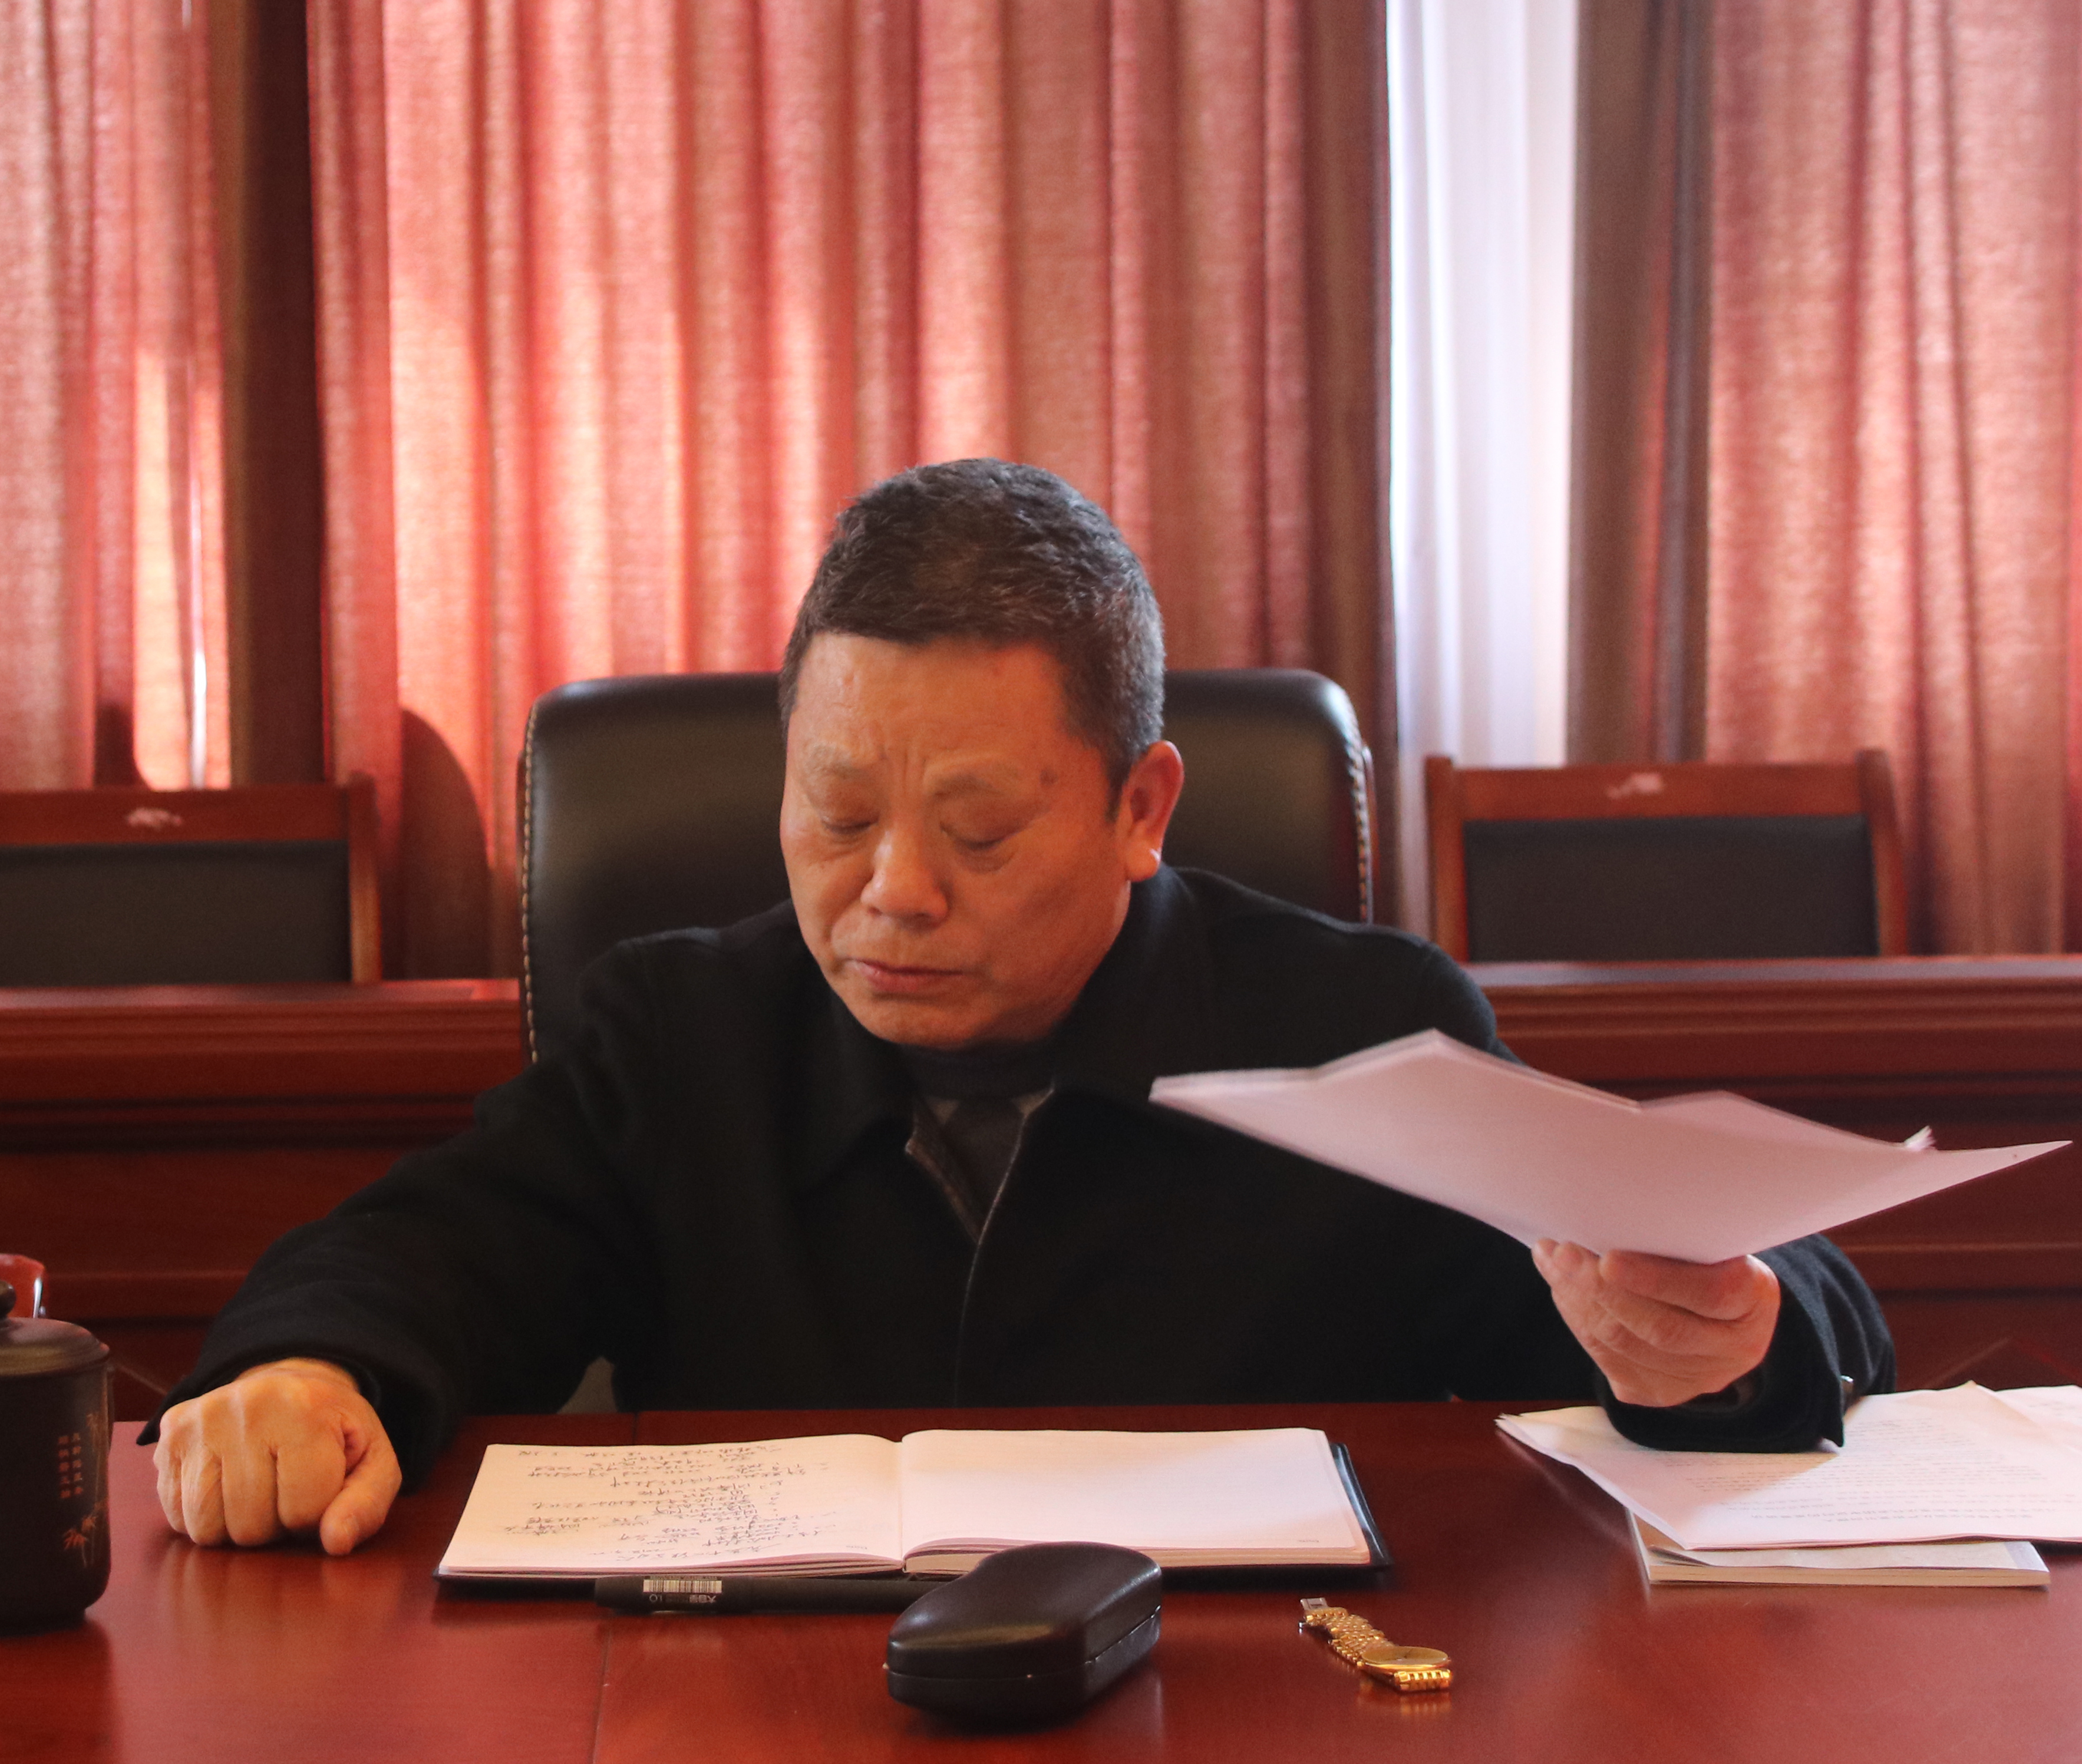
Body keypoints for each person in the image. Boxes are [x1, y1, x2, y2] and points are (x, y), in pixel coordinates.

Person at [150, 459, 1892, 1557]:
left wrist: (1721, 1334)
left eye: (977, 830)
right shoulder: (681, 1033)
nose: (893, 889)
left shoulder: (1353, 1025)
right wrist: (313, 1369)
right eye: (838, 813)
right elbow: (424, 1255)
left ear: (1144, 806)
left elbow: (1734, 1293)